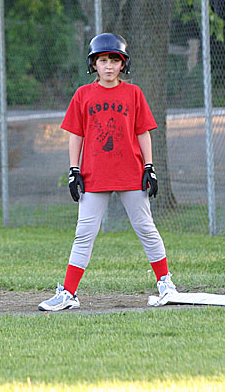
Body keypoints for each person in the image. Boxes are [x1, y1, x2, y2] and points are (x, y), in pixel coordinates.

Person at [38, 32, 177, 311]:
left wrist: (149, 167)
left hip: (130, 172)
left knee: (146, 228)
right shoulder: (83, 94)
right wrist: (73, 170)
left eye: (115, 60)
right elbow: (75, 135)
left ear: (123, 64)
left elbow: (143, 133)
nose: (109, 66)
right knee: (85, 232)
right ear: (94, 64)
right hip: (94, 175)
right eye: (103, 60)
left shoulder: (133, 93)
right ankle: (68, 293)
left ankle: (165, 284)